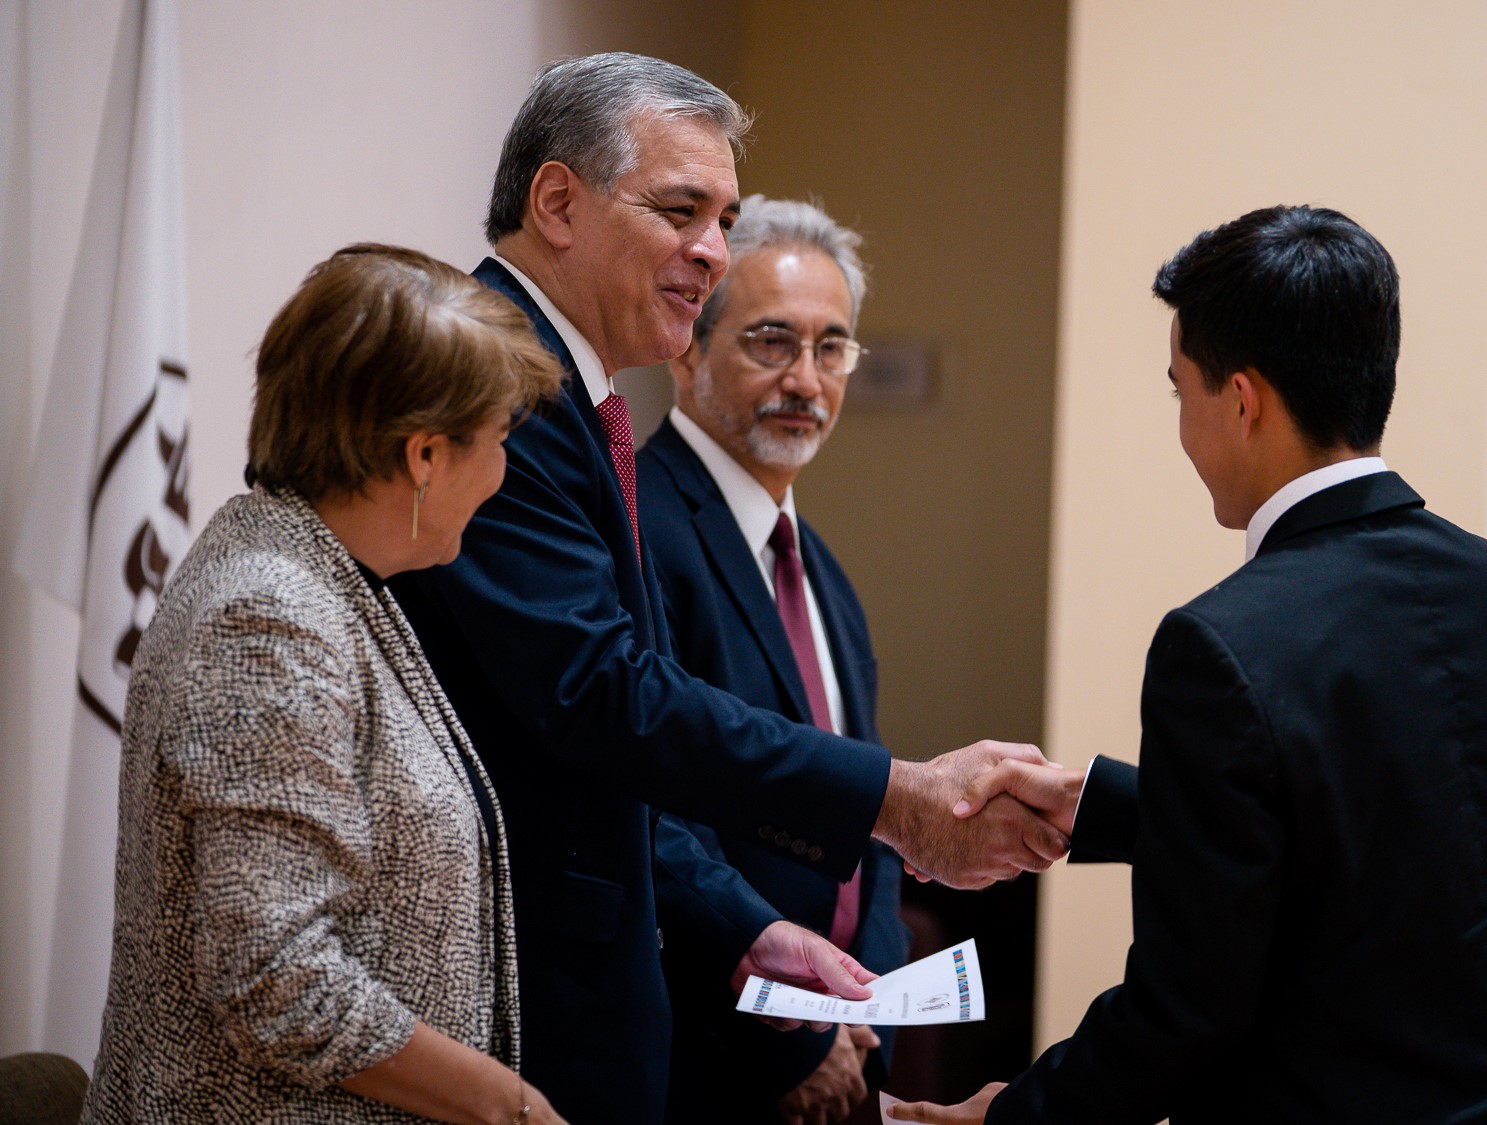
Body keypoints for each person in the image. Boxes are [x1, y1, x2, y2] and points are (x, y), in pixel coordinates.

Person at [387, 54, 1066, 1125]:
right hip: (545, 1016)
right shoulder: (495, 384)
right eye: (681, 211)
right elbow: (606, 699)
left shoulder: (580, 404)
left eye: (725, 216)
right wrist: (892, 800)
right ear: (557, 202)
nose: (711, 249)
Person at [893, 206, 1487, 1123]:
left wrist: (1015, 1113)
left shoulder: (1220, 642)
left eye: (1181, 390)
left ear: (1243, 400)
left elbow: (1188, 1012)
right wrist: (1103, 803)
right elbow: (1385, 837)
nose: (1183, 422)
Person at [81, 245, 569, 1124]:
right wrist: (514, 1107)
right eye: (499, 441)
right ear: (424, 454)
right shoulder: (270, 617)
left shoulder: (315, 571)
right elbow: (277, 975)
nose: (502, 474)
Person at [638, 196, 905, 1124]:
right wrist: (791, 1035)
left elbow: (864, 813)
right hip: (707, 1059)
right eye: (770, 341)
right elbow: (651, 818)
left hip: (839, 1048)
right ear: (687, 348)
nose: (807, 379)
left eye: (832, 348)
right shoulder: (640, 529)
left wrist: (863, 1009)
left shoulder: (821, 565)